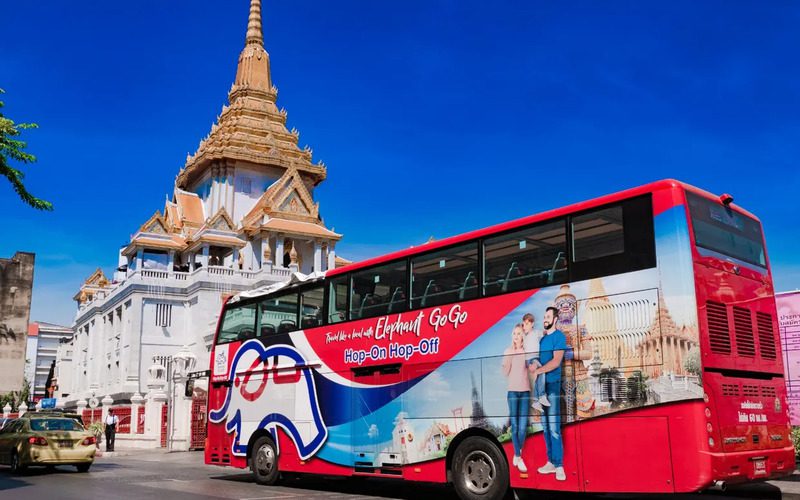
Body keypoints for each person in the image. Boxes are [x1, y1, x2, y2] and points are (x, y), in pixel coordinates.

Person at [533, 306, 567, 481]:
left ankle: (559, 465)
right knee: (546, 428)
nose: (544, 319)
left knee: (554, 428)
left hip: (552, 386)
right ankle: (551, 462)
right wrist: (534, 366)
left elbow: (556, 361)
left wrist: (539, 371)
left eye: (547, 316)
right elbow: (539, 361)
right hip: (541, 388)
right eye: (544, 316)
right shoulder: (542, 340)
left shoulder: (559, 337)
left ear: (555, 319)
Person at [502, 323, 530, 473]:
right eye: (514, 333)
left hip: (525, 391)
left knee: (523, 425)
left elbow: (531, 369)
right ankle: (518, 455)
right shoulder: (508, 351)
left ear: (522, 336)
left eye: (519, 333)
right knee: (515, 424)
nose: (516, 336)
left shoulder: (526, 351)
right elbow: (505, 372)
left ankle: (517, 456)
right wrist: (509, 358)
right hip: (512, 392)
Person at [522, 313, 548, 412]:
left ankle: (536, 400)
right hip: (529, 358)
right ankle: (540, 396)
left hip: (536, 357)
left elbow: (545, 332)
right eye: (524, 324)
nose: (525, 326)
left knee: (538, 376)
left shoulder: (537, 332)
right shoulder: (524, 335)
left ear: (532, 324)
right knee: (541, 371)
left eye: (527, 324)